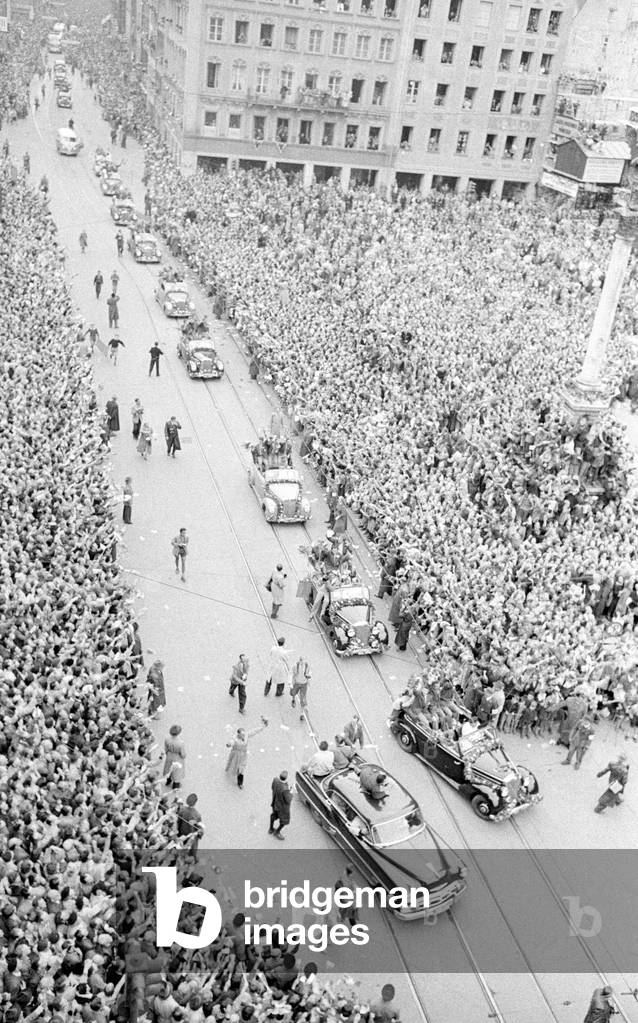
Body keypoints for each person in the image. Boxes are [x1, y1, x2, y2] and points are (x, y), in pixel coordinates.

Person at [225, 719, 268, 789]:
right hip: (236, 754)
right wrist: (228, 744)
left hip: (243, 756)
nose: (243, 735)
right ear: (238, 734)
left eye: (244, 734)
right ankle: (229, 769)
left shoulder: (246, 735)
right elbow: (231, 742)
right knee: (233, 764)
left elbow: (254, 731)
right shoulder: (235, 738)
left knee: (242, 769)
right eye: (242, 734)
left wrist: (262, 727)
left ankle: (240, 782)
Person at [177, 794, 203, 859]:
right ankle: (193, 857)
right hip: (191, 834)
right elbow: (199, 828)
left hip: (182, 832)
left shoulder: (182, 809)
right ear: (195, 802)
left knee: (182, 845)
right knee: (192, 847)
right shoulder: (197, 815)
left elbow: (178, 822)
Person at [269, 771, 293, 839]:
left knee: (273, 815)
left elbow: (272, 787)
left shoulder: (275, 780)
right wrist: (291, 792)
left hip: (275, 803)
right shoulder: (285, 789)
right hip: (282, 808)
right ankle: (277, 832)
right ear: (286, 778)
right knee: (284, 821)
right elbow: (288, 800)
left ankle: (271, 829)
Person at [163, 725, 186, 789]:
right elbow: (183, 754)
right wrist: (183, 756)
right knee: (177, 772)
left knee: (168, 768)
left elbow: (165, 748)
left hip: (169, 756)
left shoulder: (167, 739)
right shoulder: (181, 743)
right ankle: (175, 785)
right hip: (177, 757)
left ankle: (168, 780)